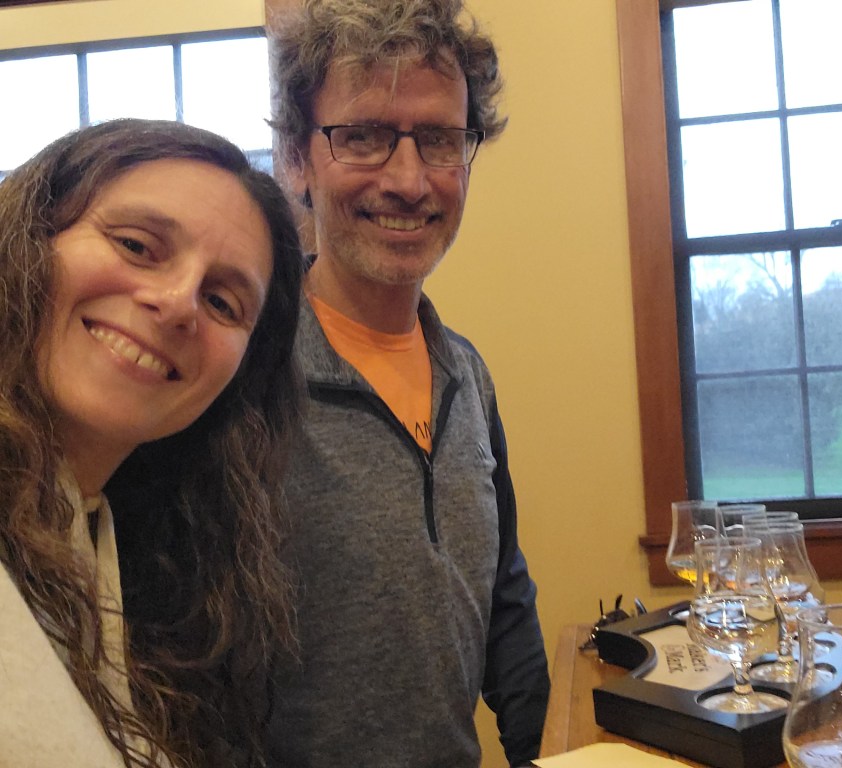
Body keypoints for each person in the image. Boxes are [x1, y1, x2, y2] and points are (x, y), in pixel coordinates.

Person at [266, 1, 550, 766]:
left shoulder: (468, 376)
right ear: (296, 158)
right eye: (363, 136)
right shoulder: (245, 380)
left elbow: (504, 602)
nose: (407, 179)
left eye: (438, 140)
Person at [0, 118, 305, 768]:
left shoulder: (117, 547)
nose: (178, 303)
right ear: (27, 236)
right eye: (137, 245)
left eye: (223, 303)